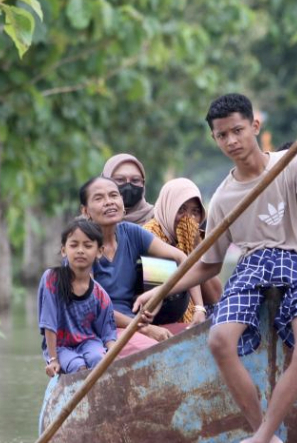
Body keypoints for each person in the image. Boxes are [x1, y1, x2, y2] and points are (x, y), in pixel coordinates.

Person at [133, 93, 297, 443]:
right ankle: (264, 434)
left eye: (238, 131)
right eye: (222, 136)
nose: (231, 142)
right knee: (219, 340)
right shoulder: (224, 196)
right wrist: (162, 290)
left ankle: (258, 441)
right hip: (253, 267)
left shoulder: (288, 164)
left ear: (255, 127)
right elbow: (208, 264)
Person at [79, 176, 197, 355]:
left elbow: (183, 259)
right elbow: (93, 310)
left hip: (134, 324)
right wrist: (143, 328)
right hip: (102, 330)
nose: (109, 202)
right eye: (99, 198)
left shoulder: (131, 232)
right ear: (86, 211)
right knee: (157, 351)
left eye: (113, 195)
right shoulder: (81, 248)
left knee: (197, 337)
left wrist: (200, 308)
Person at [38, 219, 117, 376]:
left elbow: (108, 333)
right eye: (74, 245)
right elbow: (49, 323)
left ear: (99, 251)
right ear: (63, 250)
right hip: (60, 346)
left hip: (89, 342)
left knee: (98, 360)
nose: (80, 250)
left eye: (87, 246)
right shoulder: (52, 279)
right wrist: (53, 359)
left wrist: (114, 357)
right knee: (78, 367)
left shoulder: (101, 295)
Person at [143, 178, 223, 330]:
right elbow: (166, 303)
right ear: (168, 208)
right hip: (159, 319)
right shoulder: (151, 236)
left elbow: (216, 297)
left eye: (195, 212)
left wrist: (196, 249)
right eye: (181, 210)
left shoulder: (195, 239)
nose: (188, 219)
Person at [102, 153, 154, 225]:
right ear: (104, 181)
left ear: (143, 183)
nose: (128, 187)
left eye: (135, 180)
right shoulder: (91, 222)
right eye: (120, 179)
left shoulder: (157, 220)